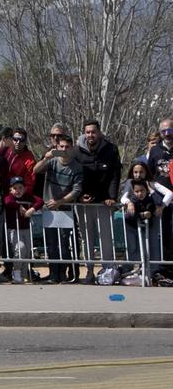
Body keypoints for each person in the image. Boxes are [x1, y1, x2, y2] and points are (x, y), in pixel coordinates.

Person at [72, 119, 121, 284]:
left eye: (93, 132)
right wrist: (79, 196)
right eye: (88, 132)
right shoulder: (76, 151)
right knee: (87, 238)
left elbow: (115, 175)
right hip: (83, 203)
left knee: (106, 237)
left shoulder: (111, 149)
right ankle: (89, 271)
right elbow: (74, 176)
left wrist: (112, 197)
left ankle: (108, 270)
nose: (90, 135)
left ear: (99, 133)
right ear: (84, 133)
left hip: (104, 202)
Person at [35, 133, 82, 284]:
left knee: (65, 243)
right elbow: (35, 170)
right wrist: (46, 157)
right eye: (61, 146)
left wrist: (60, 201)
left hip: (66, 209)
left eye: (67, 147)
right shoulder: (52, 161)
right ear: (56, 147)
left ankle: (66, 273)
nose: (64, 149)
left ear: (72, 148)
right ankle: (53, 274)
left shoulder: (76, 166)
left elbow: (76, 190)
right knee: (51, 244)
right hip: (49, 209)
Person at [4, 175, 42, 284]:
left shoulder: (27, 197)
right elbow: (7, 202)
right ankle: (16, 272)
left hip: (26, 229)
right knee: (20, 249)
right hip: (13, 229)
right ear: (11, 190)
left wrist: (32, 209)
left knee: (27, 252)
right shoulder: (10, 197)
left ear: (25, 189)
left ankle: (24, 274)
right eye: (15, 188)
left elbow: (40, 201)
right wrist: (19, 207)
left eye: (20, 188)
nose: (18, 190)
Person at [123, 180, 163, 282]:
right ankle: (130, 271)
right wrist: (141, 215)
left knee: (147, 251)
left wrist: (151, 190)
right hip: (133, 230)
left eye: (142, 191)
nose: (139, 193)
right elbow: (128, 216)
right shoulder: (133, 200)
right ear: (133, 192)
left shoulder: (150, 199)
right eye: (137, 191)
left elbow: (159, 202)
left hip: (146, 230)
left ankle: (148, 273)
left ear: (146, 190)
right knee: (133, 249)